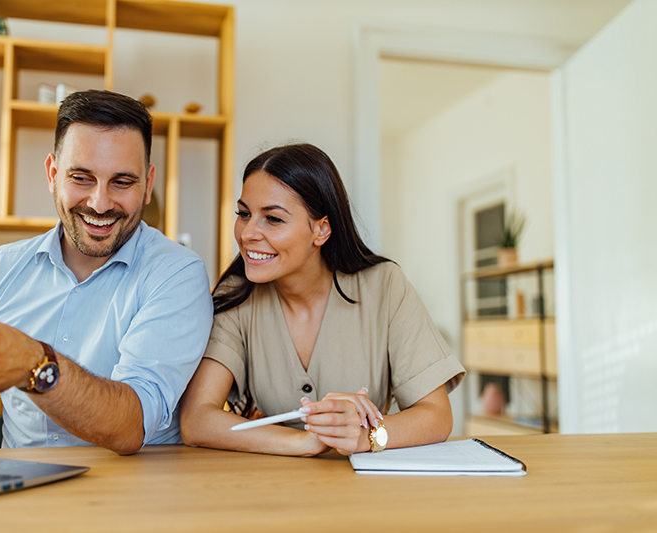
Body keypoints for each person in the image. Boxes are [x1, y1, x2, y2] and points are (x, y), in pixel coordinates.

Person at [0, 90, 213, 455]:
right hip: (22, 492)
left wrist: (35, 364)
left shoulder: (176, 274)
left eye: (122, 182)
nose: (100, 203)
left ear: (147, 183)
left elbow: (131, 426)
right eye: (81, 178)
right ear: (53, 174)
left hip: (132, 499)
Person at [180, 143, 464, 456]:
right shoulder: (236, 295)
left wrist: (367, 436)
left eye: (272, 219)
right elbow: (196, 419)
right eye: (244, 214)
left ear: (321, 229)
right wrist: (304, 442)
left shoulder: (385, 286)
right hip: (270, 490)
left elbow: (437, 415)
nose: (247, 233)